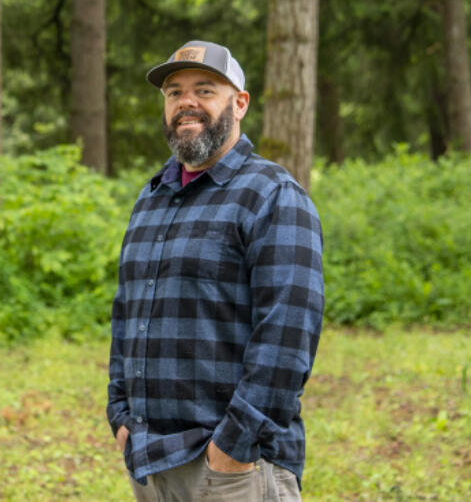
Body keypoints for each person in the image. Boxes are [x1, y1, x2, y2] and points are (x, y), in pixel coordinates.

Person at [107, 40, 325, 502]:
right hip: (149, 461)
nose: (186, 102)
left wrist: (233, 447)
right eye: (173, 92)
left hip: (233, 470)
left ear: (239, 103)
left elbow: (288, 336)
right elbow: (128, 313)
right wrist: (120, 416)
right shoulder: (151, 200)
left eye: (204, 90)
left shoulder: (272, 195)